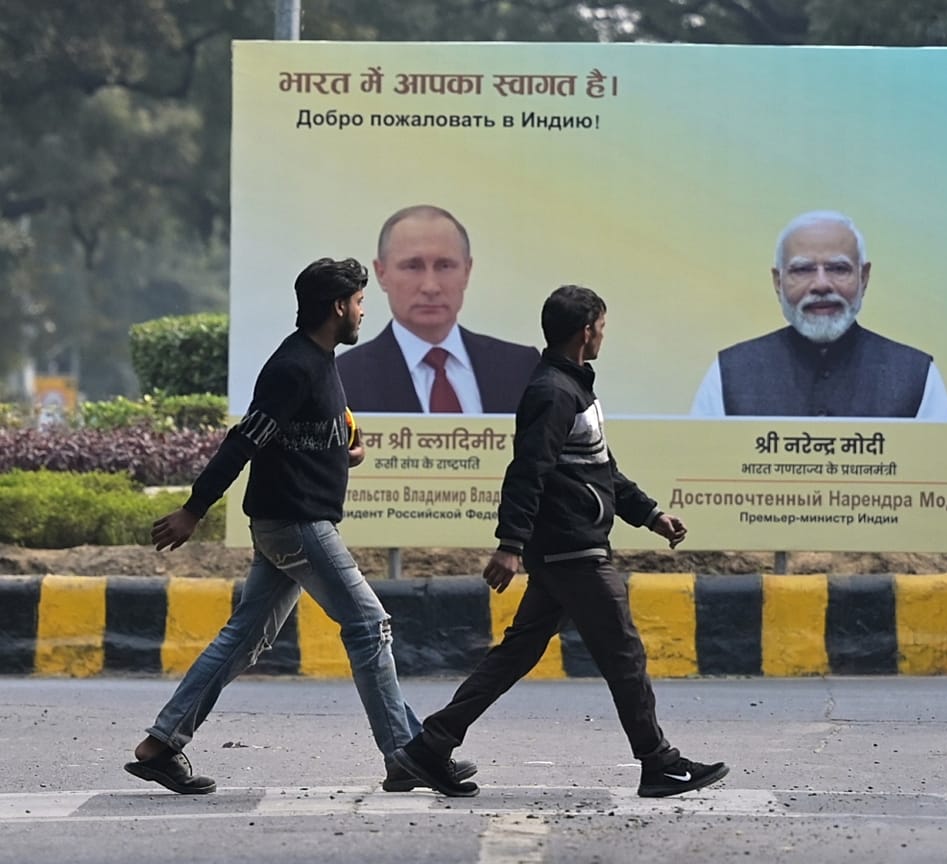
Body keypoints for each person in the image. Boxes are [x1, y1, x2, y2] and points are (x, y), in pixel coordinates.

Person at [124, 258, 475, 795]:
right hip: (296, 523)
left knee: (245, 638)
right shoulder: (293, 367)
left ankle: (161, 744)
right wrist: (195, 508)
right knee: (368, 625)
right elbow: (245, 440)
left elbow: (301, 436)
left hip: (288, 522)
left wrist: (346, 452)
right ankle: (405, 753)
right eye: (359, 302)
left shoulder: (319, 360)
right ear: (338, 307)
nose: (363, 311)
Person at [391, 284, 729, 799]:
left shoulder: (575, 389)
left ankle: (429, 747)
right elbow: (528, 470)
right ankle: (658, 763)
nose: (603, 336)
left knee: (517, 653)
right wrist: (510, 544)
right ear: (586, 331)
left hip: (568, 548)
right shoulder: (552, 392)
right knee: (624, 653)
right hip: (573, 549)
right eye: (602, 328)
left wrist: (651, 515)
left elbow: (602, 470)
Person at [689, 210, 947, 418]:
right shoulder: (729, 374)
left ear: (864, 277)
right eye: (803, 270)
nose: (821, 285)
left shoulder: (917, 376)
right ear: (778, 282)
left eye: (838, 269)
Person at [337, 205, 540, 414]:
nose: (430, 287)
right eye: (413, 266)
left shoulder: (522, 369)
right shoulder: (343, 380)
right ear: (381, 273)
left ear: (467, 271)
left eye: (444, 266)